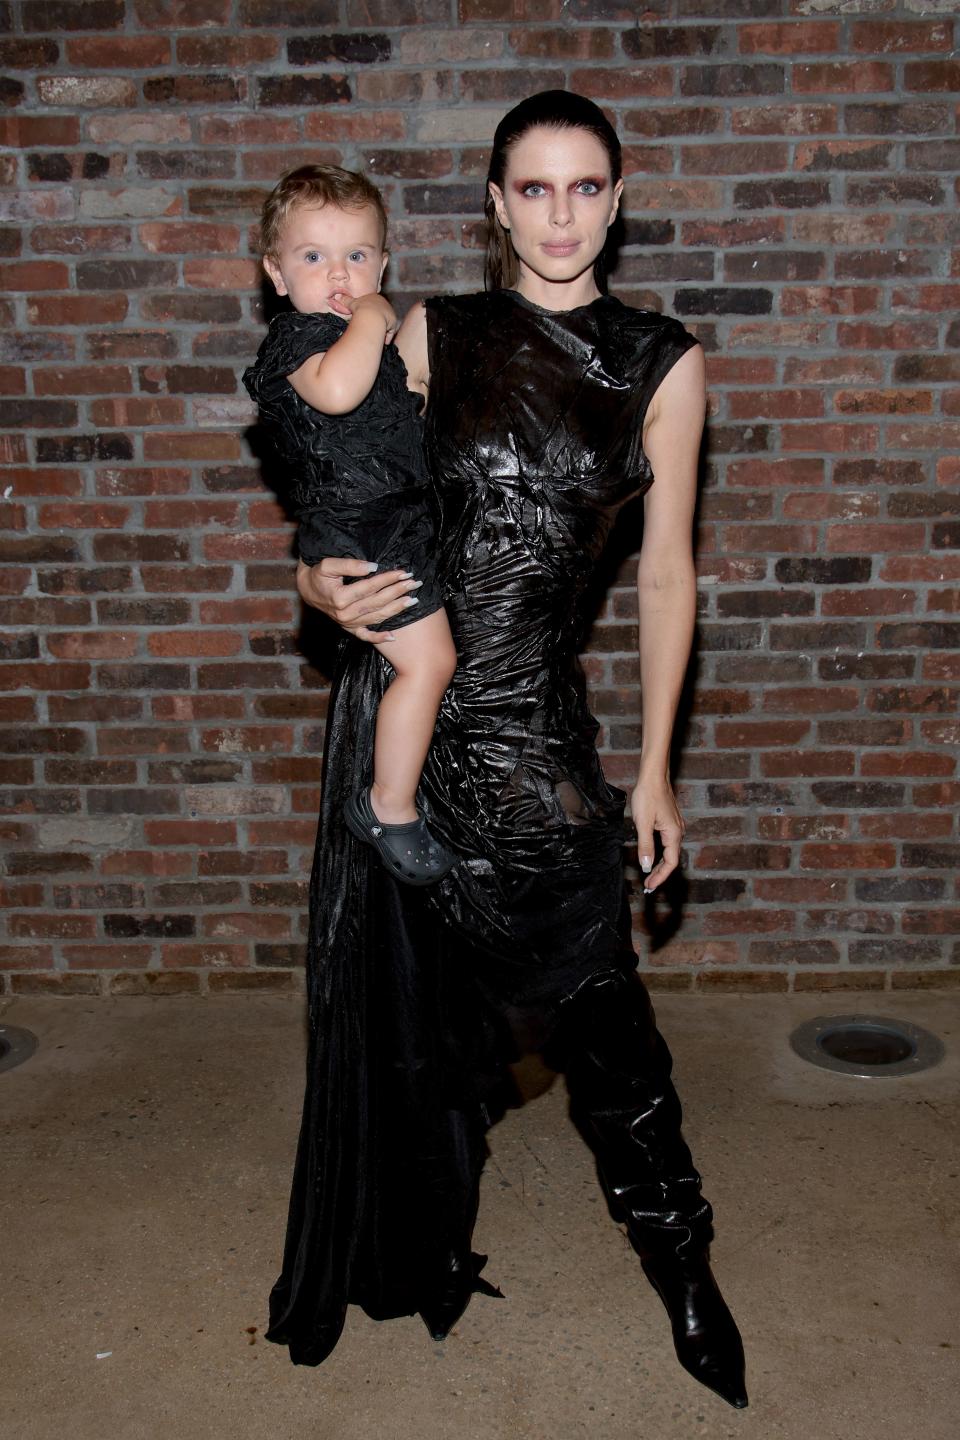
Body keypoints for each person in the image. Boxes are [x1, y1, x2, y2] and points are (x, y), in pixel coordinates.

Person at [265, 93, 748, 1411]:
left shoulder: (661, 359)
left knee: (605, 1019)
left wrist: (653, 772)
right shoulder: (433, 332)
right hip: (408, 730)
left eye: (584, 188)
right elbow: (353, 479)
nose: (559, 215)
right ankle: (418, 1228)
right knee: (413, 1018)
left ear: (618, 196)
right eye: (531, 190)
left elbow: (664, 580)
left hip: (536, 741)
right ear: (492, 206)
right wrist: (319, 584)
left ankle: (683, 1264)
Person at [243, 165, 457, 885]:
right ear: (276, 273)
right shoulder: (296, 342)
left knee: (427, 667)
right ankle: (387, 805)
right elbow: (337, 393)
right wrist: (371, 314)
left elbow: (398, 427)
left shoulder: (385, 350)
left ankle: (392, 799)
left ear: (384, 261)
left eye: (357, 257)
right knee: (429, 664)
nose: (339, 273)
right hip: (366, 534)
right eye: (313, 257)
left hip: (395, 527)